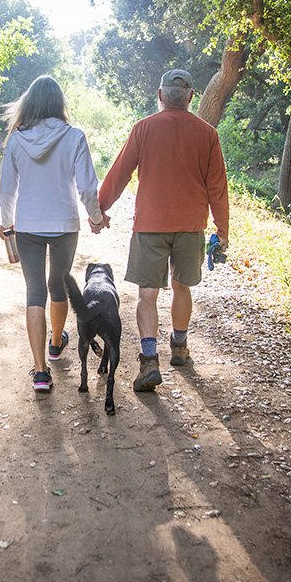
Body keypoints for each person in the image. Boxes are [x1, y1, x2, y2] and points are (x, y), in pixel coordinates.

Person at [97, 69, 229, 392]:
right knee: (182, 287)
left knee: (147, 294)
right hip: (190, 226)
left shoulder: (143, 129)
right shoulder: (208, 134)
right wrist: (222, 230)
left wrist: (99, 209)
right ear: (191, 98)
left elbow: (120, 173)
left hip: (150, 226)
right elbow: (218, 187)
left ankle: (149, 361)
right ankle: (180, 348)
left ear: (160, 96)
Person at [0, 75, 108, 393]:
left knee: (35, 293)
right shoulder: (74, 136)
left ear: (29, 103)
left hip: (28, 225)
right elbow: (88, 187)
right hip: (63, 224)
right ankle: (56, 344)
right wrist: (96, 217)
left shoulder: (16, 139)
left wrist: (7, 225)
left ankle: (41, 372)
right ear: (59, 103)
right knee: (57, 285)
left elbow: (7, 191)